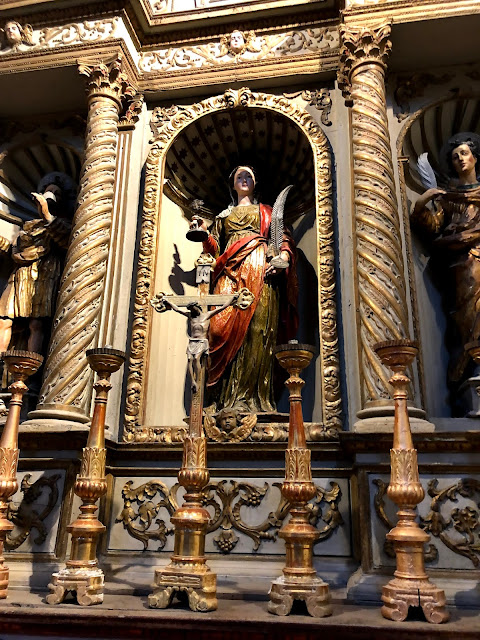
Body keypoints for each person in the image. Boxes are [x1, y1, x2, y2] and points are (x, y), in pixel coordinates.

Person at [192, 165, 298, 412]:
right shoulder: (223, 217)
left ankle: (254, 401)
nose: (244, 179)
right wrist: (204, 233)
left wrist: (282, 256)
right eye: (239, 176)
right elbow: (214, 249)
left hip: (260, 272)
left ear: (255, 182)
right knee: (218, 330)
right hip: (228, 271)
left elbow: (282, 237)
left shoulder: (266, 212)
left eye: (248, 176)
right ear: (232, 184)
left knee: (257, 331)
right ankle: (221, 400)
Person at [411, 133, 480, 381]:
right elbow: (433, 226)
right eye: (454, 156)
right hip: (463, 266)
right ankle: (474, 367)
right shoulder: (449, 198)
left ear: (475, 156)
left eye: (464, 153)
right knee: (469, 315)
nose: (460, 159)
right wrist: (422, 204)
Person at [0, 175, 71, 354]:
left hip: (45, 274)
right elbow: (15, 250)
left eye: (56, 193)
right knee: (4, 319)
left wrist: (47, 216)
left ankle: (32, 364)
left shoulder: (62, 223)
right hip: (20, 274)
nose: (51, 195)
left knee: (36, 323)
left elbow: (66, 241)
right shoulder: (29, 226)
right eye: (49, 191)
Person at [163, 296, 237, 394]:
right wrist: (168, 302)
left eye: (193, 309)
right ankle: (192, 381)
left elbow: (222, 307)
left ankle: (197, 381)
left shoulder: (207, 315)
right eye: (191, 310)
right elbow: (177, 309)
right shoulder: (191, 316)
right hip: (192, 341)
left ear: (197, 307)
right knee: (190, 360)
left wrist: (232, 299)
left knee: (196, 358)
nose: (193, 311)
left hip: (202, 342)